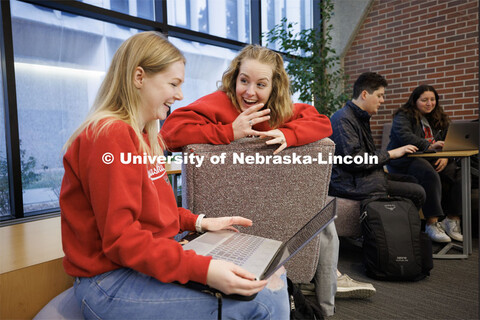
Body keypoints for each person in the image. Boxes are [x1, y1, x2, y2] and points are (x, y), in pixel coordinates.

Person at [59, 31, 289, 320]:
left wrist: (200, 222)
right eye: (173, 84)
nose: (180, 95)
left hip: (136, 265)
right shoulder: (109, 136)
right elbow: (122, 240)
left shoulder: (142, 135)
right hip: (108, 283)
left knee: (273, 271)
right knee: (262, 303)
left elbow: (153, 211)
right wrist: (205, 270)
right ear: (139, 77)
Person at [161, 44, 371, 316]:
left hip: (276, 211)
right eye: (244, 80)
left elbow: (323, 123)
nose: (249, 92)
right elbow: (169, 133)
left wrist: (290, 135)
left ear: (274, 86)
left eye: (261, 84)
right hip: (232, 219)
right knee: (324, 217)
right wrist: (229, 131)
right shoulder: (219, 103)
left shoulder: (281, 110)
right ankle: (329, 288)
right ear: (234, 78)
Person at [329, 72, 426, 209]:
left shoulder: (358, 117)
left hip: (359, 178)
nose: (382, 100)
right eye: (379, 95)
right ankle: (398, 227)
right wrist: (390, 154)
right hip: (350, 184)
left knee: (413, 180)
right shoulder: (343, 119)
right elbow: (354, 160)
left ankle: (403, 225)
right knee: (418, 192)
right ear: (364, 94)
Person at [387, 84, 463, 243]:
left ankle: (452, 219)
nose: (429, 103)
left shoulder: (439, 117)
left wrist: (446, 156)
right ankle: (431, 223)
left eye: (432, 99)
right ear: (415, 101)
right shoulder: (403, 115)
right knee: (429, 173)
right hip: (405, 158)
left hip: (431, 157)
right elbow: (405, 136)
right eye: (424, 100)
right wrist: (428, 146)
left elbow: (448, 139)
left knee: (458, 173)